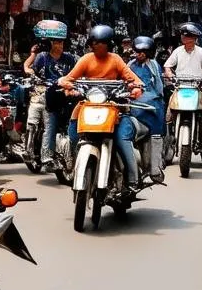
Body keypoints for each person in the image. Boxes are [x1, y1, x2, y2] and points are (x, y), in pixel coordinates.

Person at [59, 25, 145, 188]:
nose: (98, 46)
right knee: (73, 132)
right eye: (95, 43)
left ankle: (133, 178)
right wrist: (68, 87)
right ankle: (72, 163)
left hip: (113, 106)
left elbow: (133, 79)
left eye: (102, 43)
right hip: (89, 105)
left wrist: (135, 88)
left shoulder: (116, 60)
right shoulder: (85, 60)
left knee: (121, 138)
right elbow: (69, 79)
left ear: (109, 45)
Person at [24, 20, 77, 168]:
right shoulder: (42, 57)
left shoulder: (69, 58)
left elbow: (76, 73)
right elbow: (30, 70)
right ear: (50, 44)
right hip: (46, 95)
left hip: (64, 94)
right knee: (46, 123)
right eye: (56, 43)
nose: (59, 46)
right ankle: (42, 154)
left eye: (61, 43)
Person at [129, 35, 166, 182]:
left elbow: (159, 88)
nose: (140, 54)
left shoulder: (155, 66)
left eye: (143, 52)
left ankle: (155, 169)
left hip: (152, 106)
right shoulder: (130, 65)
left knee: (156, 133)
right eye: (138, 51)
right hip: (133, 104)